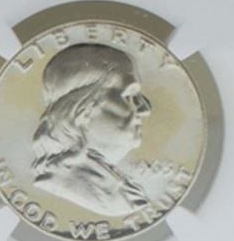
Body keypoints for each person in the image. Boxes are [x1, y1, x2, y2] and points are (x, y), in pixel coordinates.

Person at [30, 43, 157, 216]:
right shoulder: (101, 194)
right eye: (129, 95)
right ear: (81, 112)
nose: (145, 109)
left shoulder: (112, 183)